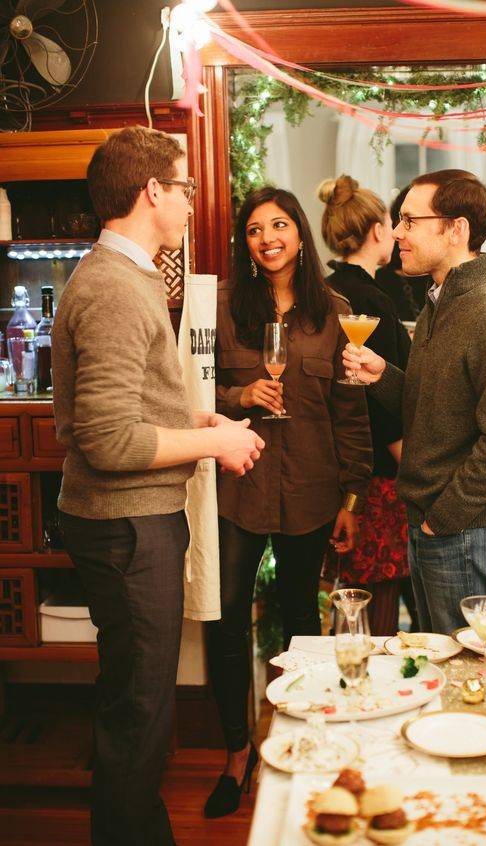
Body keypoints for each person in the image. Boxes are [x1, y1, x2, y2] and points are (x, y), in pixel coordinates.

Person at [52, 126, 265, 846]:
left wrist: (195, 418)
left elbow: (125, 407)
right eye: (185, 188)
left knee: (135, 704)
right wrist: (214, 442)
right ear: (152, 191)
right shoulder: (115, 286)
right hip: (127, 526)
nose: (191, 203)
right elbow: (109, 440)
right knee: (139, 714)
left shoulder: (126, 275)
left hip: (131, 520)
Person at [206, 185, 372, 818]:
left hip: (310, 487)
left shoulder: (335, 311)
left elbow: (349, 412)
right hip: (238, 486)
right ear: (245, 243)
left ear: (300, 233)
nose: (267, 238)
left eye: (278, 225)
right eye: (254, 229)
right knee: (225, 616)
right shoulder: (222, 307)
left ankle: (302, 737)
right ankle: (236, 753)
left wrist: (351, 497)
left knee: (301, 619)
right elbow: (193, 388)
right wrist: (240, 397)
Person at [342, 169, 486, 635]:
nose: (397, 232)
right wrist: (383, 375)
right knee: (440, 659)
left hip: (464, 529)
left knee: (464, 666)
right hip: (428, 521)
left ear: (457, 230)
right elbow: (434, 408)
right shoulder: (440, 301)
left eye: (410, 221)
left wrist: (444, 517)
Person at [318, 175, 417, 635]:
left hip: (332, 465)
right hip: (377, 473)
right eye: (392, 224)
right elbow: (380, 400)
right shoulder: (374, 300)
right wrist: (410, 464)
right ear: (378, 231)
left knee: (346, 596)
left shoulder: (324, 289)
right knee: (378, 600)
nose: (396, 234)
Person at [374, 186, 432, 321]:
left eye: (410, 221)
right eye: (401, 220)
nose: (397, 233)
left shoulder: (448, 284)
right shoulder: (380, 282)